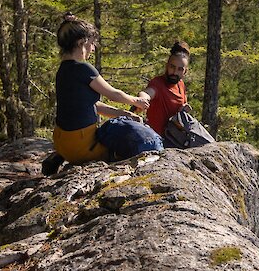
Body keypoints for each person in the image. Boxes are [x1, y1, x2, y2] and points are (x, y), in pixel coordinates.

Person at [50, 13, 150, 167]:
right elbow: (113, 94)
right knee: (129, 141)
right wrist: (137, 101)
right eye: (91, 42)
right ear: (81, 43)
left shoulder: (63, 70)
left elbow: (92, 105)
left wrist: (125, 114)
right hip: (83, 147)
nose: (93, 47)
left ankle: (63, 156)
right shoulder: (83, 68)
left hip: (62, 143)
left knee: (122, 122)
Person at [138, 41, 190, 136]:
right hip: (157, 140)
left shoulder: (180, 85)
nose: (174, 72)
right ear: (167, 66)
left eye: (180, 69)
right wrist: (142, 99)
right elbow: (148, 93)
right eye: (172, 67)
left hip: (175, 139)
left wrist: (183, 109)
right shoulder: (157, 83)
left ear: (185, 71)